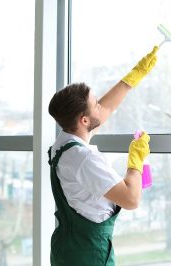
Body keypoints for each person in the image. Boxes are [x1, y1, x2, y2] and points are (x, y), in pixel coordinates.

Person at [47, 46, 159, 266]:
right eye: (94, 104)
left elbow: (105, 109)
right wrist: (136, 159)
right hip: (89, 254)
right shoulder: (83, 159)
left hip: (68, 247)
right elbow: (131, 199)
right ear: (84, 120)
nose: (100, 106)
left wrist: (132, 77)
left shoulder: (64, 142)